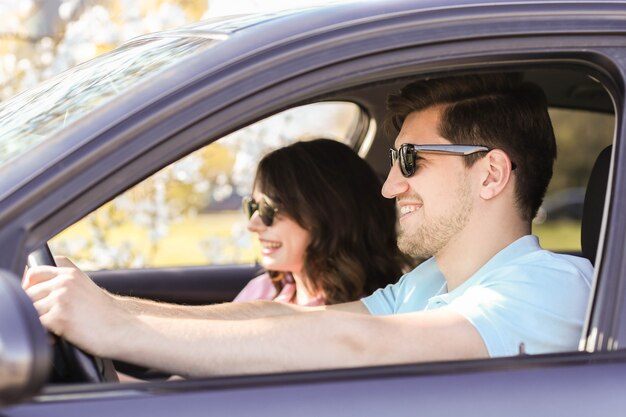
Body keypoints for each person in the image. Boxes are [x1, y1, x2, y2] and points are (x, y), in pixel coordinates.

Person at [23, 73, 593, 379]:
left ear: (491, 173)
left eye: (411, 160)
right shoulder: (431, 287)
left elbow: (359, 343)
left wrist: (118, 333)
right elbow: (284, 317)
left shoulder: (551, 286)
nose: (389, 186)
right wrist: (112, 308)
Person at [234, 138, 413, 306]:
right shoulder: (264, 288)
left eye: (267, 208)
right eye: (252, 207)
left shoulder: (369, 311)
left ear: (325, 214)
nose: (252, 225)